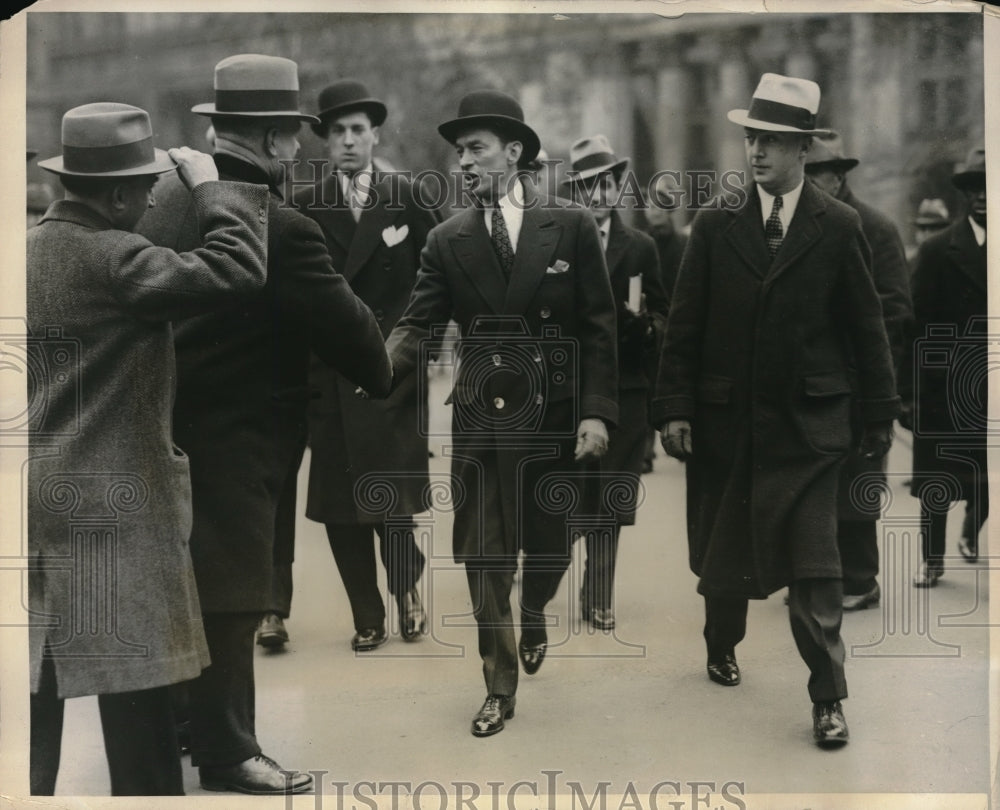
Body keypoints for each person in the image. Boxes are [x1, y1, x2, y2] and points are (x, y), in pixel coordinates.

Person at [136, 54, 391, 795]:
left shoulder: (160, 205)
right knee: (235, 594)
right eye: (296, 136)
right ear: (279, 140)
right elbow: (359, 345)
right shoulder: (282, 225)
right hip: (244, 437)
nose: (302, 150)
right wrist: (384, 362)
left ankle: (189, 730)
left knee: (185, 581)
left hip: (158, 428)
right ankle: (228, 750)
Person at [28, 102, 269, 795]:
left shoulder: (27, 252)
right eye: (144, 191)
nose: (148, 204)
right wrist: (208, 184)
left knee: (34, 693)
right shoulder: (116, 258)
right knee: (138, 703)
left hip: (39, 499)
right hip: (117, 507)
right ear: (116, 195)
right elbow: (237, 269)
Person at [653, 73, 898, 748]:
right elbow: (684, 326)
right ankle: (720, 643)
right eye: (752, 138)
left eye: (773, 141)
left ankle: (828, 697)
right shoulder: (713, 225)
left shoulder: (839, 226)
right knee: (725, 562)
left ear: (802, 151)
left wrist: (878, 415)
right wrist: (674, 407)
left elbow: (865, 326)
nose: (756, 152)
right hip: (728, 426)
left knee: (817, 569)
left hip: (810, 430)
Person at [385, 89, 618, 737]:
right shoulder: (446, 240)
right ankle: (498, 685)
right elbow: (416, 323)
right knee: (484, 556)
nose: (463, 162)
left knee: (549, 549)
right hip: (483, 422)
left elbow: (600, 329)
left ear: (514, 153)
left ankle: (537, 609)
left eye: (476, 149)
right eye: (458, 152)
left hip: (555, 422)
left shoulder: (567, 225)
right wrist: (377, 366)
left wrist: (596, 413)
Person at [290, 79, 437, 651]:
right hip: (329, 374)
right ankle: (366, 614)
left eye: (358, 131)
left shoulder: (408, 196)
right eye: (337, 133)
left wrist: (419, 346)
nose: (349, 142)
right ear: (325, 142)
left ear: (375, 135)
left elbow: (438, 275)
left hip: (390, 371)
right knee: (340, 506)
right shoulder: (306, 204)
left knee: (391, 497)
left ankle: (406, 590)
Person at [561, 134, 668, 631]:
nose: (600, 195)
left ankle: (599, 593)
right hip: (573, 390)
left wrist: (644, 324)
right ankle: (544, 583)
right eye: (589, 186)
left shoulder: (640, 246)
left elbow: (666, 316)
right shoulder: (558, 238)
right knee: (570, 493)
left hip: (625, 390)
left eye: (608, 184)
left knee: (613, 496)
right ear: (576, 192)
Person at [804, 131, 912, 611]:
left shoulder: (876, 227)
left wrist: (863, 366)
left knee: (859, 478)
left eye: (817, 174)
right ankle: (816, 574)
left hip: (860, 377)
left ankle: (860, 579)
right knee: (813, 481)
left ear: (839, 176)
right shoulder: (797, 222)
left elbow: (892, 309)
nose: (808, 182)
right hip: (810, 376)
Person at [902, 145, 987, 587]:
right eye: (975, 187)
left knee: (987, 480)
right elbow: (913, 325)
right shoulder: (938, 250)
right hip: (943, 387)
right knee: (936, 485)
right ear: (965, 195)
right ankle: (931, 559)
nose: (985, 195)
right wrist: (909, 393)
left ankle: (972, 532)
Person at [641, 172, 688, 473]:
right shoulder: (641, 243)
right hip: (648, 325)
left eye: (660, 207)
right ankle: (645, 451)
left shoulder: (683, 245)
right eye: (650, 206)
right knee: (646, 386)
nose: (653, 212)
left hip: (677, 324)